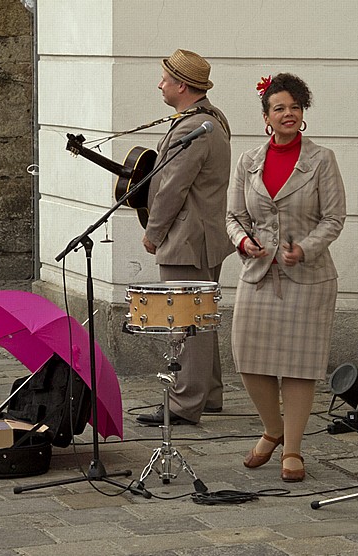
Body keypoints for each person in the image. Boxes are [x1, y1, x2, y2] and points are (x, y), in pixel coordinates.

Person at [225, 73, 346, 482]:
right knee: (246, 357)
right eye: (280, 108)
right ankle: (272, 429)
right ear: (266, 117)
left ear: (303, 113)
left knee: (299, 366)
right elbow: (233, 217)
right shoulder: (248, 161)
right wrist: (243, 243)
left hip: (308, 278)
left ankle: (292, 448)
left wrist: (305, 248)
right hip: (258, 274)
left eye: (295, 107)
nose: (288, 114)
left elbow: (334, 218)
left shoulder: (321, 159)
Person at [136, 49, 234, 426]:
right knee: (201, 316)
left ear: (182, 85)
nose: (160, 84)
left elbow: (173, 187)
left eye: (164, 78)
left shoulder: (195, 128)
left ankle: (183, 403)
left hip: (187, 237)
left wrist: (153, 232)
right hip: (204, 236)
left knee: (184, 321)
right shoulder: (211, 118)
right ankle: (208, 393)